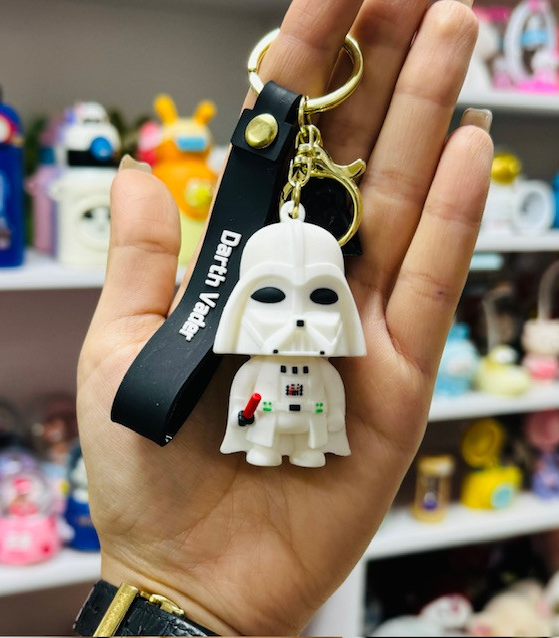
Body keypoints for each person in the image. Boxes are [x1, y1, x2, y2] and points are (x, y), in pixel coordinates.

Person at [76, 0, 493, 634]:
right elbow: (242, 412)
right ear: (242, 303)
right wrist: (242, 429)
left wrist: (329, 435)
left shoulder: (331, 370)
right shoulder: (249, 367)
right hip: (266, 430)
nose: (298, 315)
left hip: (307, 433)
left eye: (321, 298)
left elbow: (333, 417)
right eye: (272, 297)